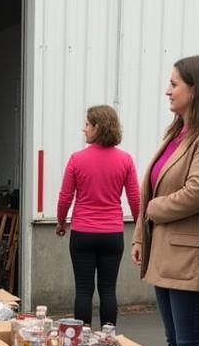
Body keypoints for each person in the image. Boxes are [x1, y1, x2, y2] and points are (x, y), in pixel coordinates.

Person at [132, 57, 199, 346]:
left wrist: (152, 210)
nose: (167, 91)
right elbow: (153, 186)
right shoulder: (178, 133)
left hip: (190, 260)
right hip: (166, 255)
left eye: (174, 84)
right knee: (177, 343)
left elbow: (198, 192)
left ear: (196, 89)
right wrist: (138, 237)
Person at [56, 105, 140, 328]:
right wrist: (141, 229)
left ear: (98, 127)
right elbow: (135, 198)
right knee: (108, 289)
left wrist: (61, 221)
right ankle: (107, 342)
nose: (84, 129)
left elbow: (65, 197)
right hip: (112, 233)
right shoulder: (126, 160)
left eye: (87, 125)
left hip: (83, 232)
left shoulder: (77, 159)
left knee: (83, 289)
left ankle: (82, 344)